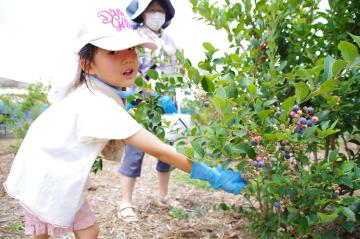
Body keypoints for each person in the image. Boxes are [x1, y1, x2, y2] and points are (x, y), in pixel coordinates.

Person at [3, 3, 247, 239]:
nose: (128, 57)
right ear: (87, 64)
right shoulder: (98, 104)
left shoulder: (92, 91)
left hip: (36, 167)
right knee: (84, 231)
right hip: (46, 174)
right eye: (112, 51)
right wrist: (212, 175)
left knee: (44, 230)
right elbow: (160, 150)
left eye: (132, 48)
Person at [116, 0, 179, 222]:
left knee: (168, 151)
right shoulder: (135, 38)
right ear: (142, 14)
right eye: (152, 11)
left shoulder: (170, 40)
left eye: (160, 11)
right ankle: (125, 202)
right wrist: (152, 92)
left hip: (168, 104)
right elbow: (131, 71)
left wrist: (172, 95)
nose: (156, 15)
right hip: (142, 103)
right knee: (135, 152)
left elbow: (177, 68)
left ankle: (164, 196)